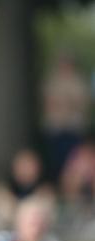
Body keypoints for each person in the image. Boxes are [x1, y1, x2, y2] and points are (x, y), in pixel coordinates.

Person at [41, 54, 90, 182]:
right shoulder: (53, 81)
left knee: (73, 160)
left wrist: (64, 103)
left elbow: (81, 103)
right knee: (55, 159)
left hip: (73, 128)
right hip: (55, 128)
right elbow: (49, 102)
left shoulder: (79, 82)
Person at [0, 149, 55, 228]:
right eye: (23, 165)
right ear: (14, 167)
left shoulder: (45, 191)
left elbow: (45, 216)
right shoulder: (2, 190)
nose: (26, 169)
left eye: (29, 165)